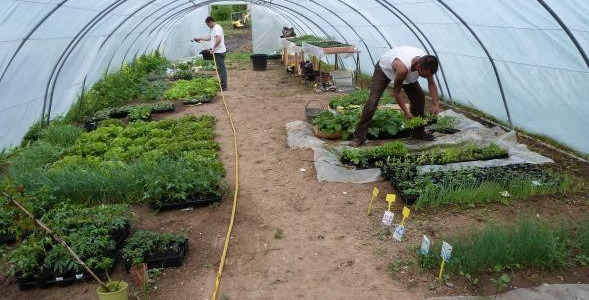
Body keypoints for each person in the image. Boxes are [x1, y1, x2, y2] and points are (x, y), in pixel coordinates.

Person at [353, 46, 440, 145]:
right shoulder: (402, 68)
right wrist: (406, 112)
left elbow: (431, 84)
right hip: (384, 70)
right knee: (373, 101)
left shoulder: (427, 63)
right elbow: (396, 92)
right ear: (418, 66)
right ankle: (359, 137)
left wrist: (436, 103)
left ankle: (418, 134)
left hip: (405, 72)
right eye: (424, 75)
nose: (425, 77)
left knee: (419, 97)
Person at [193, 16, 227, 91]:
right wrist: (200, 38)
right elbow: (211, 38)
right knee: (219, 68)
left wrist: (213, 48)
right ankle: (222, 84)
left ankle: (224, 86)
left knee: (221, 69)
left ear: (210, 22)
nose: (208, 26)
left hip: (219, 51)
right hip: (218, 51)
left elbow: (218, 39)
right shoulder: (214, 29)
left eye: (208, 25)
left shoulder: (217, 28)